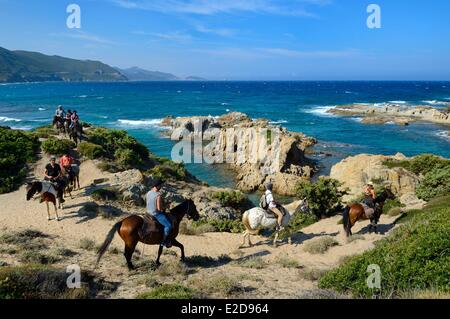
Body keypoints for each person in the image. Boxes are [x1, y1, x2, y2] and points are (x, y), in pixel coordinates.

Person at [145, 178, 172, 248]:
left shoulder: (148, 192)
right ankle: (163, 241)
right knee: (168, 225)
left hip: (147, 213)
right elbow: (159, 209)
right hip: (156, 214)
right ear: (158, 186)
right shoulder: (158, 196)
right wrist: (166, 206)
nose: (161, 186)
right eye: (161, 185)